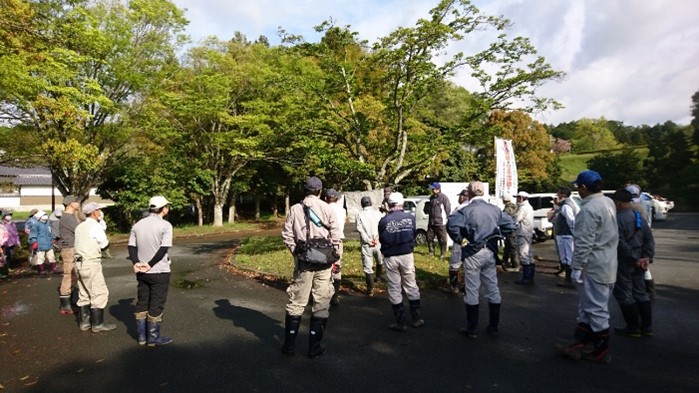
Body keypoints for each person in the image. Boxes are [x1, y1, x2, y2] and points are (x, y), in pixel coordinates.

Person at [559, 170, 618, 364]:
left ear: (584, 188)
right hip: (608, 261)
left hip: (593, 265)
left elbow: (584, 242)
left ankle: (601, 350)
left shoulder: (589, 209)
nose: (578, 190)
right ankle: (579, 342)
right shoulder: (608, 202)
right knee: (587, 307)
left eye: (578, 187)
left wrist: (576, 267)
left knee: (596, 309)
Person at [281, 177, 341, 358]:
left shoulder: (295, 209)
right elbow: (336, 236)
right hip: (324, 263)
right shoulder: (327, 208)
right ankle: (314, 347)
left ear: (305, 190)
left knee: (297, 302)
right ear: (320, 191)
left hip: (303, 264)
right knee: (321, 302)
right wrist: (335, 259)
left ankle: (289, 346)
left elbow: (287, 234)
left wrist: (296, 252)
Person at [447, 181, 516, 338]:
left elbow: (451, 225)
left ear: (469, 193)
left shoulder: (465, 210)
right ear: (483, 192)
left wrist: (461, 240)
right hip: (490, 251)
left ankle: (472, 328)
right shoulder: (495, 209)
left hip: (473, 251)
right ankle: (493, 326)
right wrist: (498, 235)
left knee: (472, 289)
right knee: (492, 287)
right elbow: (511, 226)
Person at [128, 196, 175, 346]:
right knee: (156, 302)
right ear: (164, 208)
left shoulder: (137, 225)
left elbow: (131, 247)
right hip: (159, 270)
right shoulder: (166, 225)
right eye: (167, 206)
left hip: (141, 271)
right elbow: (163, 248)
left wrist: (137, 263)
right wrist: (150, 264)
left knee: (142, 301)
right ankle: (153, 337)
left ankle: (142, 336)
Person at [611, 189, 655, 338]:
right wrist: (646, 257)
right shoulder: (639, 217)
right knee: (640, 292)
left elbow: (619, 243)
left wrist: (634, 257)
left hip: (625, 261)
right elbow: (649, 239)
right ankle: (647, 327)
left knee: (624, 293)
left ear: (617, 203)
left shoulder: (616, 220)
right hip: (641, 261)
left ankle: (633, 327)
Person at [379, 192, 424, 331]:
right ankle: (417, 318)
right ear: (402, 204)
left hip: (391, 256)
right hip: (407, 255)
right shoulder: (410, 218)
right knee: (411, 285)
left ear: (389, 204)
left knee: (394, 287)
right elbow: (413, 234)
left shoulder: (384, 220)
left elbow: (381, 238)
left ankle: (400, 322)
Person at [74, 202, 116, 333]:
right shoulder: (95, 226)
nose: (100, 212)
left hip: (78, 263)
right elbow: (104, 244)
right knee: (99, 292)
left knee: (84, 293)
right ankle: (97, 324)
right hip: (91, 262)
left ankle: (84, 322)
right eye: (98, 210)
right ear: (93, 212)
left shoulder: (80, 227)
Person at [625, 184, 656, 299]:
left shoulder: (632, 207)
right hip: (645, 237)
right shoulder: (644, 203)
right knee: (644, 266)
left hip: (635, 240)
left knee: (637, 267)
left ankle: (643, 292)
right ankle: (650, 290)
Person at [58, 195, 83, 315]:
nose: (78, 203)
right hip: (69, 249)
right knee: (69, 275)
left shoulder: (69, 216)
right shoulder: (68, 218)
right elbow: (80, 230)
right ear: (71, 204)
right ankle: (65, 306)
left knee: (73, 275)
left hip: (71, 247)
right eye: (77, 201)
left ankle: (70, 302)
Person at [355, 196, 384, 296]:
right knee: (380, 260)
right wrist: (377, 238)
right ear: (371, 203)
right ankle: (379, 277)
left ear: (362, 204)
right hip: (378, 241)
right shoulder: (378, 213)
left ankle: (370, 289)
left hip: (367, 244)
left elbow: (360, 230)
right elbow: (382, 226)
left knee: (368, 266)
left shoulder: (359, 215)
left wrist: (368, 240)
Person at [443, 189, 470, 294]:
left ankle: (454, 287)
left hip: (461, 239)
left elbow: (451, 224)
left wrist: (459, 239)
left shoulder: (460, 208)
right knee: (470, 263)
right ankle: (468, 287)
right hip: (473, 240)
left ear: (463, 197)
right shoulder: (474, 208)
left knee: (455, 262)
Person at [552, 186, 579, 287]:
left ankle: (569, 280)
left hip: (566, 235)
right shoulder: (565, 205)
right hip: (564, 234)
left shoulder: (566, 206)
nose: (557, 195)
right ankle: (569, 278)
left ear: (563, 194)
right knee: (566, 257)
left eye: (558, 193)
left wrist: (574, 233)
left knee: (568, 257)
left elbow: (571, 221)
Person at [325, 189, 346, 306]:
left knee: (325, 266)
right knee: (337, 266)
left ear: (326, 198)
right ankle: (335, 295)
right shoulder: (342, 210)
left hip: (326, 240)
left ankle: (324, 293)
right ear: (336, 198)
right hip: (338, 240)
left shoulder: (323, 208)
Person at [424, 182, 451, 259]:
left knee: (442, 239)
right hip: (431, 222)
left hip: (440, 223)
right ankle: (431, 252)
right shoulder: (431, 198)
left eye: (433, 189)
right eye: (432, 189)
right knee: (429, 238)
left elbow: (447, 209)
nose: (432, 190)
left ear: (438, 189)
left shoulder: (444, 198)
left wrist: (448, 219)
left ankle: (442, 254)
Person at [514, 191, 535, 285]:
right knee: (529, 255)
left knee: (524, 255)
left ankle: (526, 278)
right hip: (528, 232)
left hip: (522, 233)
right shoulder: (529, 207)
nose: (517, 199)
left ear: (522, 198)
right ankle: (530, 276)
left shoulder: (523, 208)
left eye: (518, 197)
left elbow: (516, 219)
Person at [500, 193, 518, 272]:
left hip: (509, 229)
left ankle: (515, 264)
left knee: (511, 247)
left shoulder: (508, 209)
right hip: (512, 229)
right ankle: (506, 262)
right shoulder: (514, 206)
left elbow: (504, 218)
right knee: (508, 247)